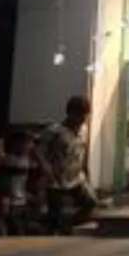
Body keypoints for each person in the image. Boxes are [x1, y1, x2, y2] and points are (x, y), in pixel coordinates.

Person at [39, 96, 97, 233]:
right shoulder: (54, 131)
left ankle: (69, 224)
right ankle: (54, 229)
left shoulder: (83, 130)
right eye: (79, 115)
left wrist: (86, 172)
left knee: (90, 202)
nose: (82, 119)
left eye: (85, 116)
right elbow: (38, 150)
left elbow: (82, 152)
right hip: (57, 179)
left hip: (76, 178)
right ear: (70, 113)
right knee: (56, 214)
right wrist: (45, 166)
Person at [0, 130, 39, 235]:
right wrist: (5, 199)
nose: (30, 146)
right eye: (27, 143)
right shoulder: (8, 160)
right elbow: (5, 182)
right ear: (16, 144)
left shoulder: (26, 160)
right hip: (12, 202)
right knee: (15, 230)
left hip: (21, 200)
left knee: (21, 229)